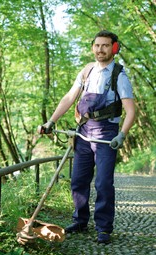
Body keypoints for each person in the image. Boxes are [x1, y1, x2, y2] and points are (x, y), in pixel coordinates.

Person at [38, 30, 135, 244]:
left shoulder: (119, 75)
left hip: (106, 135)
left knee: (103, 183)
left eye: (105, 45)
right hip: (83, 132)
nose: (100, 49)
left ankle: (103, 227)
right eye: (97, 45)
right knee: (78, 181)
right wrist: (50, 122)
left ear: (114, 48)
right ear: (93, 47)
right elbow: (69, 97)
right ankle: (80, 220)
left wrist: (122, 134)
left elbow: (131, 110)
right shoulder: (87, 71)